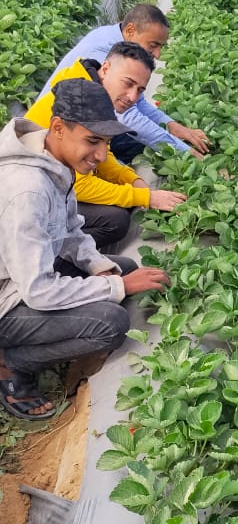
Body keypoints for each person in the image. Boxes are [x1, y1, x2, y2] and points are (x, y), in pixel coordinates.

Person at [0, 79, 170, 421]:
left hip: (23, 277)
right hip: (9, 299)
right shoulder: (27, 190)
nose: (101, 155)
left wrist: (99, 267)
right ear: (58, 128)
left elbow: (69, 230)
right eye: (93, 141)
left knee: (121, 266)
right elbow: (38, 291)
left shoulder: (52, 160)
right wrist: (116, 287)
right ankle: (12, 364)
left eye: (106, 142)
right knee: (111, 323)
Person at [28, 42, 186, 248]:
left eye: (140, 90)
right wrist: (146, 197)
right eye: (128, 83)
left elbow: (102, 152)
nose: (132, 97)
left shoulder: (95, 91)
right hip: (35, 199)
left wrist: (131, 179)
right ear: (105, 69)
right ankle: (53, 252)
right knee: (115, 220)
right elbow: (78, 184)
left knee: (123, 194)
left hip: (57, 180)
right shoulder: (78, 99)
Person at [38, 3, 210, 164]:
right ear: (130, 30)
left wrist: (174, 127)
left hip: (82, 128)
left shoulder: (118, 42)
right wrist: (187, 153)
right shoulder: (104, 56)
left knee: (148, 139)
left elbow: (138, 103)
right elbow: (129, 117)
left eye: (161, 47)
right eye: (153, 45)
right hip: (52, 142)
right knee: (140, 142)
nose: (157, 54)